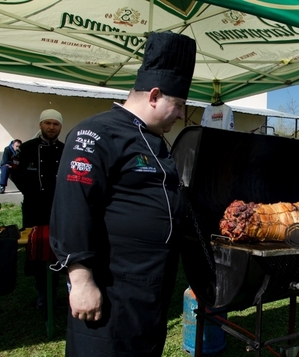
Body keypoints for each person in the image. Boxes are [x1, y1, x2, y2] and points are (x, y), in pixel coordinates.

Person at [49, 31, 196, 356]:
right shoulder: (96, 133)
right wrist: (82, 281)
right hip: (112, 287)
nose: (181, 115)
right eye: (179, 105)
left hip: (150, 291)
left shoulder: (155, 142)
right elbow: (73, 208)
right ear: (154, 95)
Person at [11, 110, 64, 309]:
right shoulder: (26, 149)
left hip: (57, 208)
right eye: (48, 123)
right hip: (34, 207)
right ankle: (42, 291)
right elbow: (15, 174)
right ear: (41, 125)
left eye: (55, 124)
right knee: (36, 248)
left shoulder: (64, 149)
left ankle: (55, 287)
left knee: (56, 248)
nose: (51, 127)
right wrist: (31, 192)